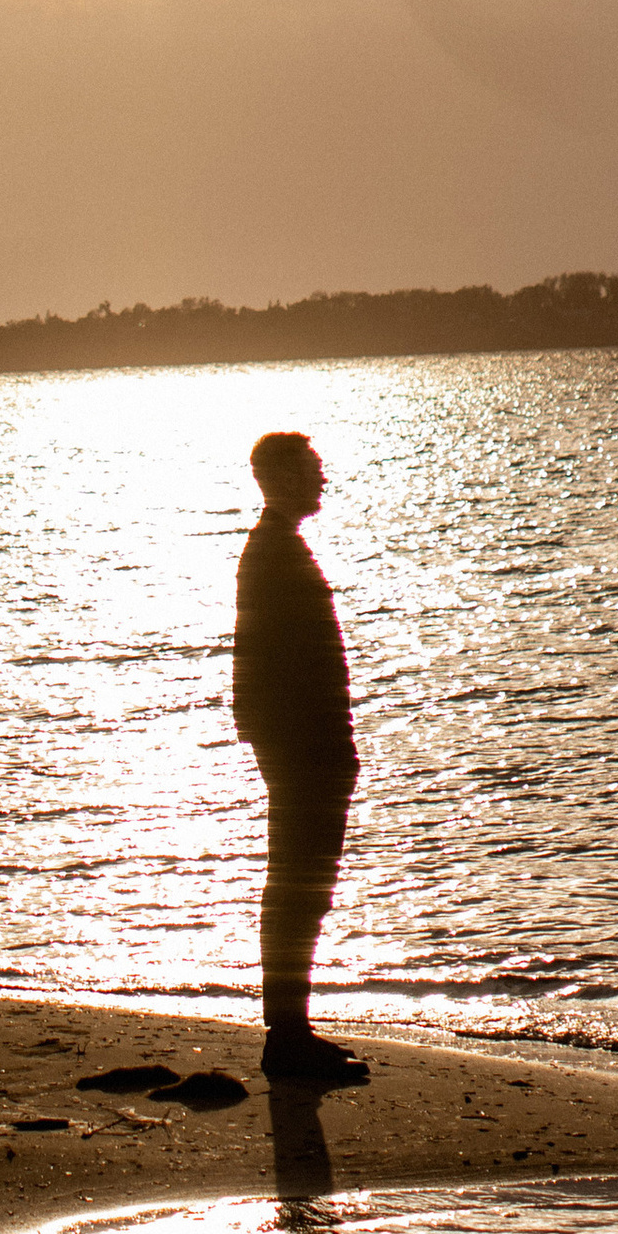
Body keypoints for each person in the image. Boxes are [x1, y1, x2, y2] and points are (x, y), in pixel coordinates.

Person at [233, 430, 369, 1086]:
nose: (323, 479)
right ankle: (285, 1033)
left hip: (305, 744)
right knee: (297, 887)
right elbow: (268, 665)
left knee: (301, 887)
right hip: (302, 746)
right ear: (280, 477)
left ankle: (292, 1027)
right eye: (312, 469)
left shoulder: (278, 547)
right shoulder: (273, 551)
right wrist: (302, 746)